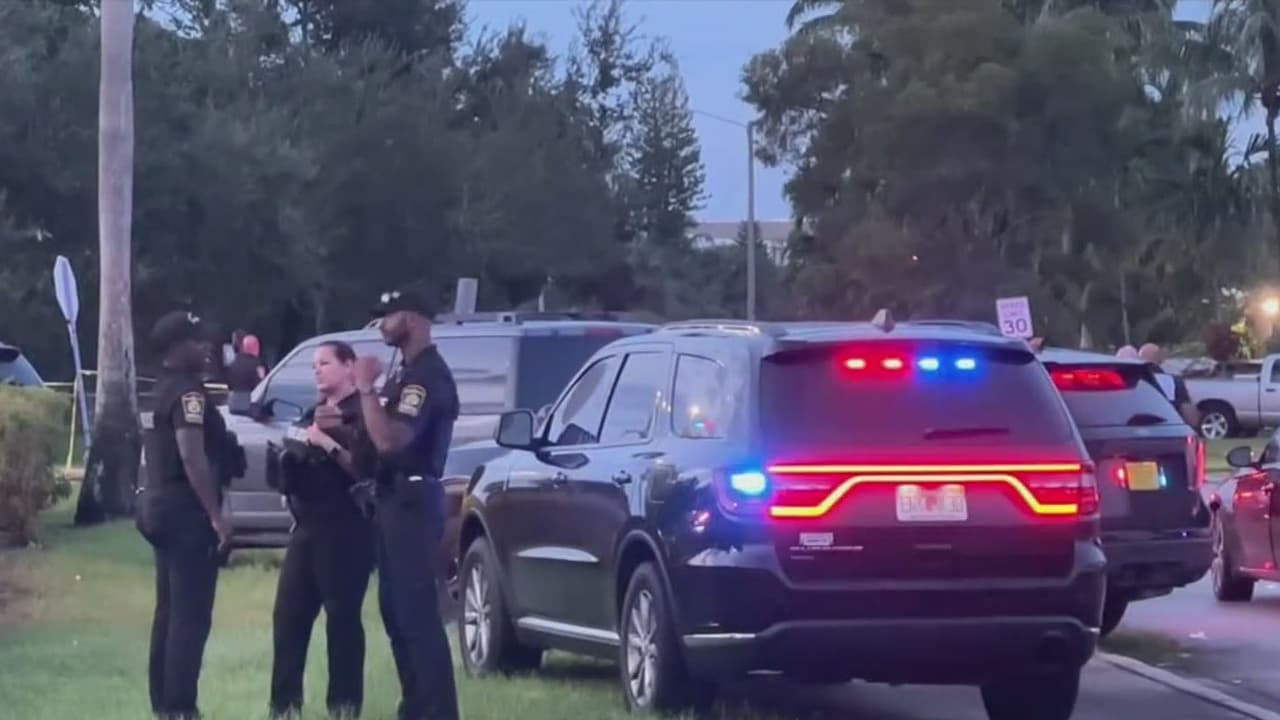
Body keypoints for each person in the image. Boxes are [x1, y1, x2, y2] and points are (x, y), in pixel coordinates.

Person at [355, 288, 460, 720]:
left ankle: (437, 711)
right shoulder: (406, 372)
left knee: (416, 613)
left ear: (414, 319)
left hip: (414, 500)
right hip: (392, 500)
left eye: (389, 315)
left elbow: (391, 440)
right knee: (396, 612)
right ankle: (415, 707)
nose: (381, 323)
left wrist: (365, 389)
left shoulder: (426, 377)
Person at [269, 341, 376, 718]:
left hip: (345, 528)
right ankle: (284, 706)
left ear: (349, 366)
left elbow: (367, 471)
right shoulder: (312, 412)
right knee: (288, 616)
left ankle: (344, 705)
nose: (317, 370)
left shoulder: (363, 412)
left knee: (342, 619)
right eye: (314, 364)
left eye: (325, 363)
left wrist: (327, 443)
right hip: (307, 526)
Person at [136, 310, 231, 720]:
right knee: (190, 616)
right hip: (185, 509)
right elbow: (191, 455)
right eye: (196, 340)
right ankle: (180, 707)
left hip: (158, 503)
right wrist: (216, 515)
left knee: (169, 611)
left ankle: (163, 704)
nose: (205, 346)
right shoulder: (188, 392)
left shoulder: (160, 388)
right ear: (176, 347)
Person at [1138, 342, 1201, 428]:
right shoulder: (1174, 381)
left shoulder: (1132, 381)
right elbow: (1189, 413)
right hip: (1170, 428)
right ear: (1160, 359)